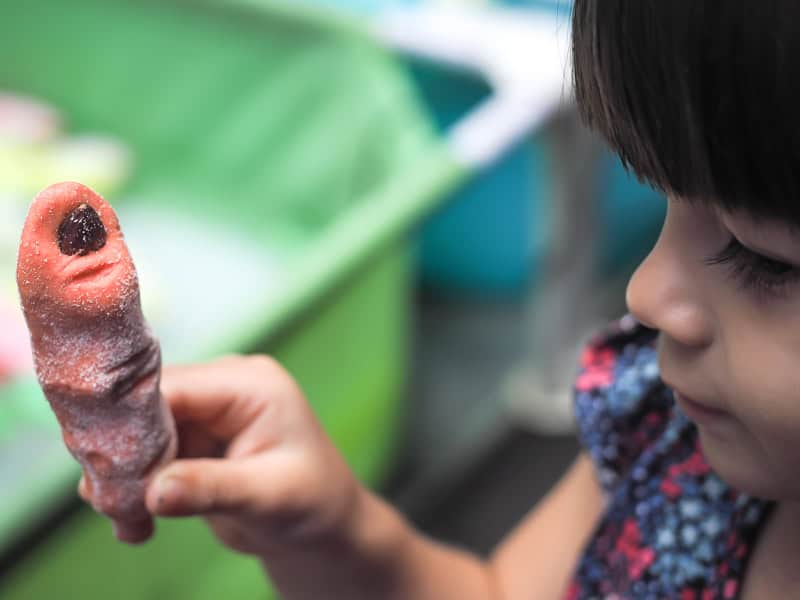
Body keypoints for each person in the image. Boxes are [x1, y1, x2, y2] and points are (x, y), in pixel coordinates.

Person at [80, 1, 800, 597]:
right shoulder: (667, 433)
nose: (645, 292)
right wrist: (333, 533)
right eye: (662, 194)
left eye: (761, 257)